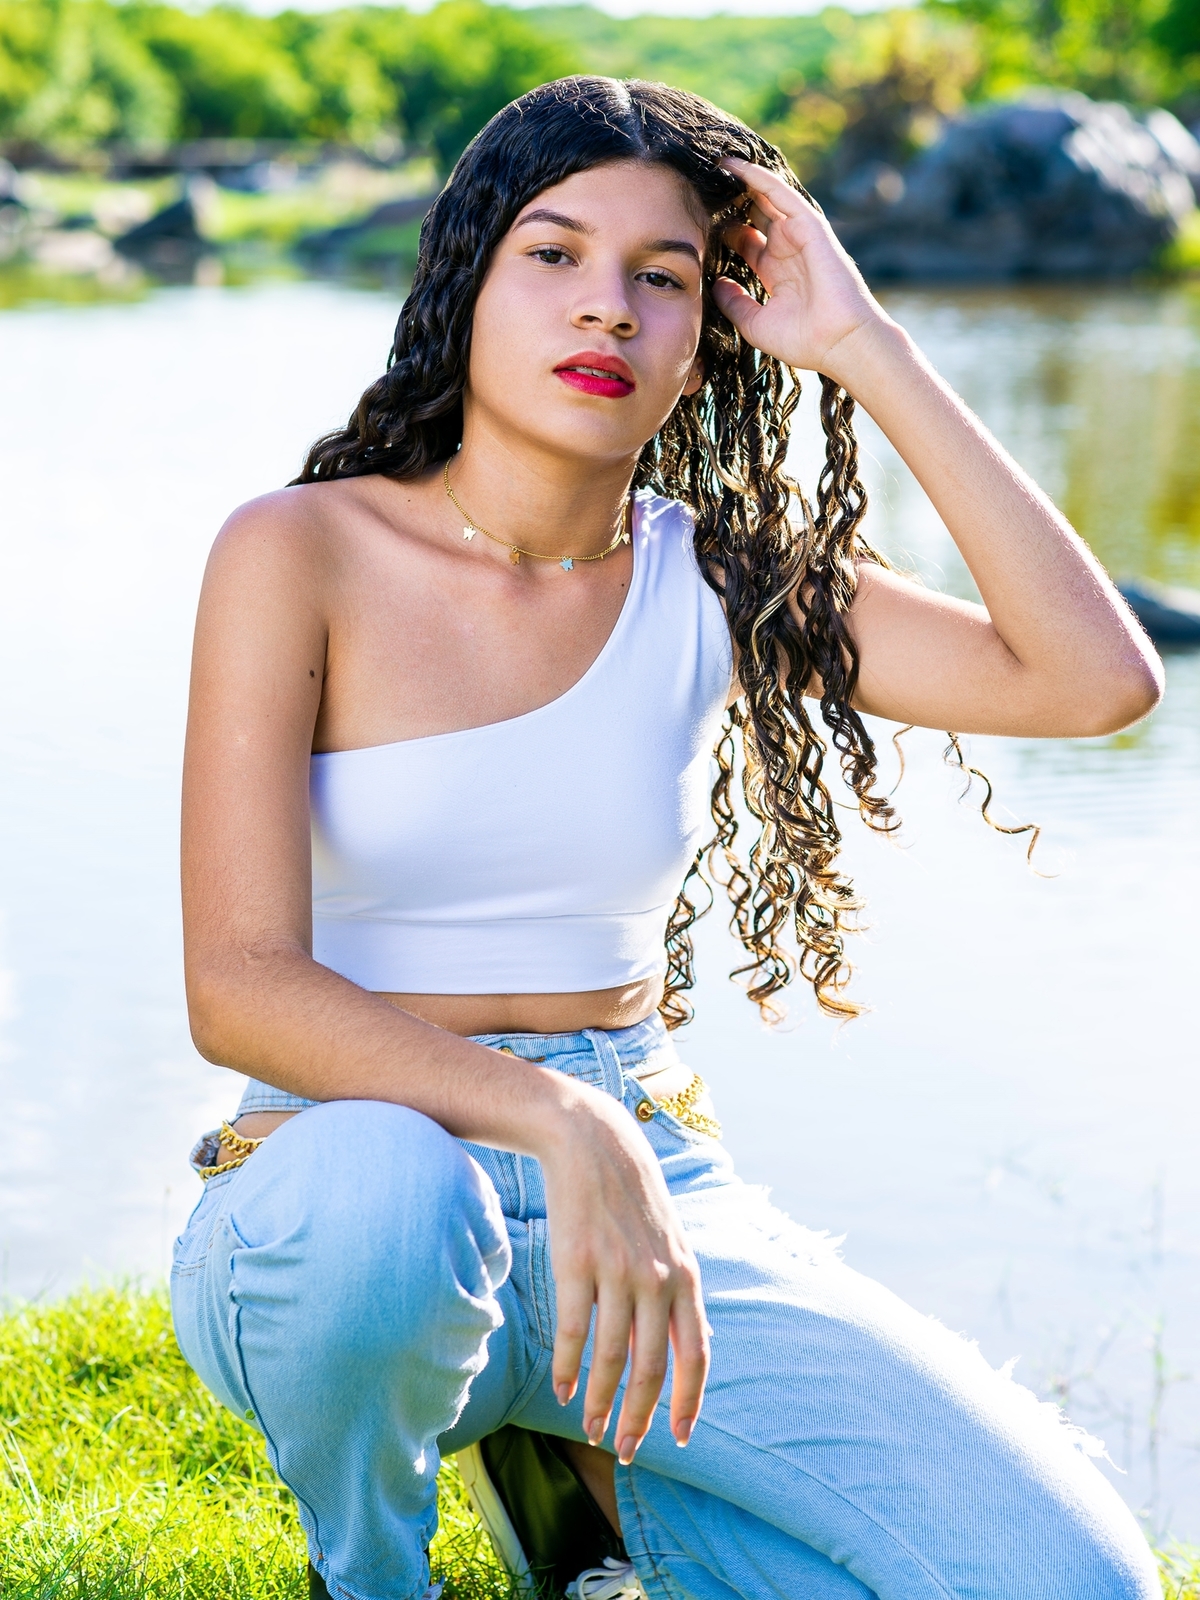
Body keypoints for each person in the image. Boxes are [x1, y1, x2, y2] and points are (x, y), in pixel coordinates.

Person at [172, 75, 1164, 1600]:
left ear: (708, 341)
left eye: (664, 277)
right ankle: (369, 1574)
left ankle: (602, 1523)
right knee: (388, 1198)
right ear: (467, 282)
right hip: (337, 1180)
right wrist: (564, 1125)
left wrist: (866, 348)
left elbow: (1095, 682)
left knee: (1066, 1577)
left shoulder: (718, 578)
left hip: (646, 1180)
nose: (608, 311)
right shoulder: (300, 551)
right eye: (554, 256)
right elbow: (238, 985)